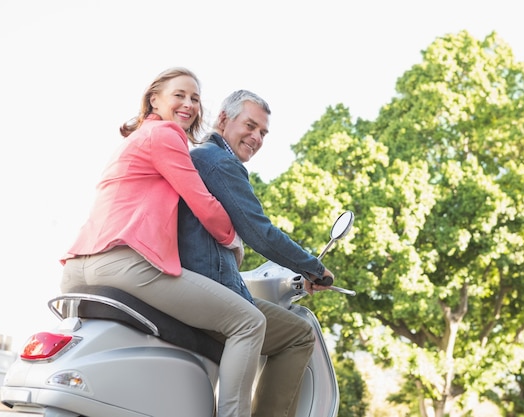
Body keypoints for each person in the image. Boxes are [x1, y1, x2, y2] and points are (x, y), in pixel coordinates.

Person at [60, 68, 266, 417]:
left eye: (195, 99)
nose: (188, 104)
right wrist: (234, 242)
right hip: (123, 264)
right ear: (154, 98)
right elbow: (203, 204)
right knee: (249, 323)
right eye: (180, 95)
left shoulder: (134, 139)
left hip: (76, 268)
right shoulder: (167, 135)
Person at [177, 89, 335, 417]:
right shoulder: (218, 162)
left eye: (262, 132)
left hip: (195, 280)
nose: (256, 137)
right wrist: (313, 268)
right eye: (250, 126)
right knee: (299, 334)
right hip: (212, 286)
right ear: (223, 119)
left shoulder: (199, 157)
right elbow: (260, 233)